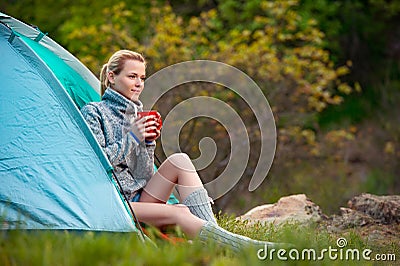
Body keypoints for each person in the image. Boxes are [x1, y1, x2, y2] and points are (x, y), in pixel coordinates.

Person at [81, 49, 280, 251]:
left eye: (142, 77)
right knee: (179, 213)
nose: (139, 83)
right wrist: (132, 138)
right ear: (111, 77)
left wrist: (147, 144)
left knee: (180, 160)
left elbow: (144, 175)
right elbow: (97, 165)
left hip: (140, 197)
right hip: (114, 201)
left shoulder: (137, 116)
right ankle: (246, 248)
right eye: (132, 76)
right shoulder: (94, 113)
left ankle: (216, 236)